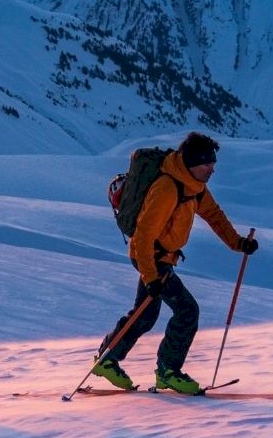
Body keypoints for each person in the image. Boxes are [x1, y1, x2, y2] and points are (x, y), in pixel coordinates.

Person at [94, 132, 259, 395]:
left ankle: (108, 359)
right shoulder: (168, 188)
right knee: (187, 311)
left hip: (159, 258)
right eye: (207, 164)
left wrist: (238, 243)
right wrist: (151, 278)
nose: (212, 170)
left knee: (146, 315)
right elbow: (143, 236)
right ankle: (168, 371)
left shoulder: (194, 186)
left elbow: (214, 216)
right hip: (150, 256)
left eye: (213, 164)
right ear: (192, 163)